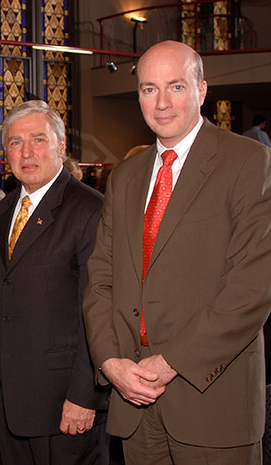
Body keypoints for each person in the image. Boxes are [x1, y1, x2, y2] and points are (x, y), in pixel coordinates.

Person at [83, 40, 271, 464]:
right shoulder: (126, 176)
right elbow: (102, 280)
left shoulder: (248, 162)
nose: (162, 103)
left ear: (202, 90)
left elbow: (252, 290)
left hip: (212, 399)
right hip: (134, 399)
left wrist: (169, 362)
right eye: (149, 89)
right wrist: (111, 361)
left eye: (176, 87)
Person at [0, 100, 109, 465]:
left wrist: (84, 396)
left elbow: (98, 311)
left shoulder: (90, 210)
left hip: (65, 405)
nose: (26, 152)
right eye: (15, 142)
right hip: (11, 400)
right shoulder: (3, 209)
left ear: (61, 147)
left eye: (38, 139)